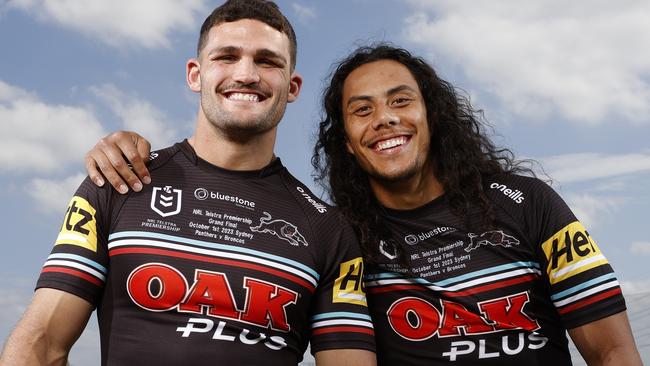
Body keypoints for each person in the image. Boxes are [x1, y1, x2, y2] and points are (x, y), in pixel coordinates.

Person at [80, 44, 641, 365]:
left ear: (432, 117)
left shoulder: (530, 204)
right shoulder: (340, 236)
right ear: (346, 140)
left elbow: (614, 354)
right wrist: (128, 147)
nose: (386, 120)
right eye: (362, 110)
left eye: (401, 101)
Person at [0, 1, 376, 365]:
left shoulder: (328, 229)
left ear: (292, 87)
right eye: (226, 56)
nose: (246, 74)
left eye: (267, 61)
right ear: (195, 74)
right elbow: (42, 345)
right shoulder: (117, 183)